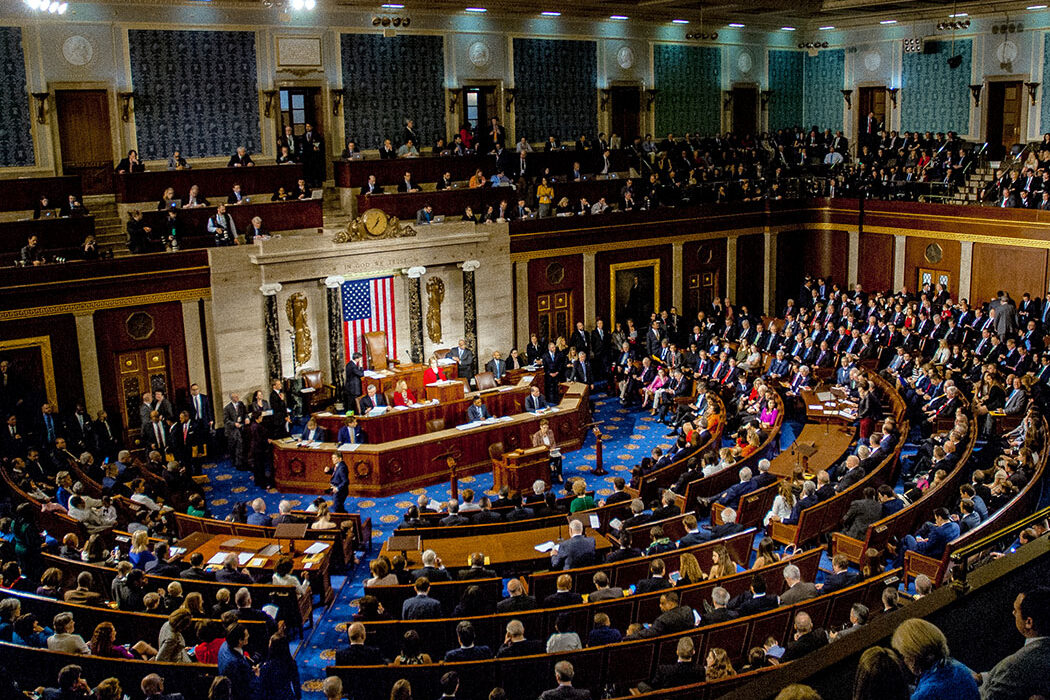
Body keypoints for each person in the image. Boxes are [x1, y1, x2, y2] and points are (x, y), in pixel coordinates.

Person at [973, 587, 1050, 700]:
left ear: (1029, 622)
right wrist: (982, 677)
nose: (1013, 613)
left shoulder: (1015, 665)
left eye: (1016, 610)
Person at [891, 618, 979, 700]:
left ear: (914, 655)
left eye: (904, 655)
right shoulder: (959, 668)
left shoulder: (924, 695)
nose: (904, 661)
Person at [256, 632, 300, 700]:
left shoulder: (267, 667)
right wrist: (298, 697)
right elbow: (296, 684)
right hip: (287, 696)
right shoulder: (291, 663)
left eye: (270, 643)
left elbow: (262, 689)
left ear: (273, 648)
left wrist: (258, 675)